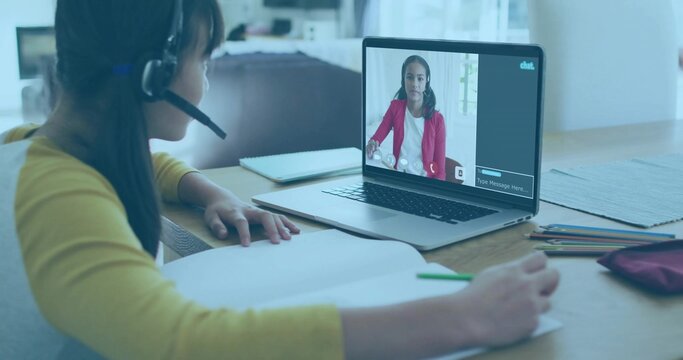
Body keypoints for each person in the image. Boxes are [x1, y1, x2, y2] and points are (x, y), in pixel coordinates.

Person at [0, 0, 559, 359]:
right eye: (206, 59)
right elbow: (180, 344)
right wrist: (463, 316)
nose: (208, 75)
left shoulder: (40, 149)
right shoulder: (60, 198)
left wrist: (208, 189)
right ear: (157, 74)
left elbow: (136, 160)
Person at [366, 55, 447, 180]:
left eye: (420, 79)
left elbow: (440, 172)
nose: (414, 84)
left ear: (426, 82)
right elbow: (377, 137)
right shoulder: (395, 108)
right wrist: (372, 144)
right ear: (403, 80)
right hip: (398, 180)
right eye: (409, 77)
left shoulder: (438, 120)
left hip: (425, 184)